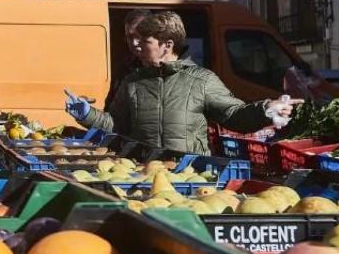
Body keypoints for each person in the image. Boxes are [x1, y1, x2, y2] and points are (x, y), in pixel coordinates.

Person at [65, 11, 300, 153]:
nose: (137, 46)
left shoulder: (201, 80)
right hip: (142, 172)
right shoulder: (132, 82)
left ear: (167, 45)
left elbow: (234, 115)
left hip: (189, 171)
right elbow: (117, 126)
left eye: (145, 41)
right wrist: (87, 115)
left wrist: (266, 109)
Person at [105, 8, 151, 108]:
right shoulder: (122, 69)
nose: (134, 43)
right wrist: (87, 115)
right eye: (130, 37)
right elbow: (110, 109)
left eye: (138, 36)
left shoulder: (168, 69)